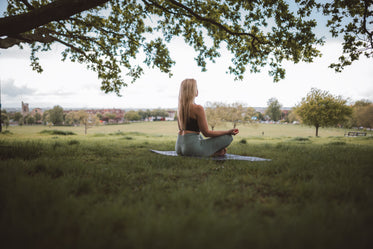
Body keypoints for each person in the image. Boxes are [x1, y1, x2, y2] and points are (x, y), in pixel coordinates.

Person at [175, 78, 239, 157]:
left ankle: (211, 151)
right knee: (228, 138)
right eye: (196, 88)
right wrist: (228, 132)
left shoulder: (179, 109)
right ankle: (214, 153)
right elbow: (207, 133)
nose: (197, 90)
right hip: (192, 149)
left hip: (179, 148)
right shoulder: (198, 108)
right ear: (193, 91)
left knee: (199, 136)